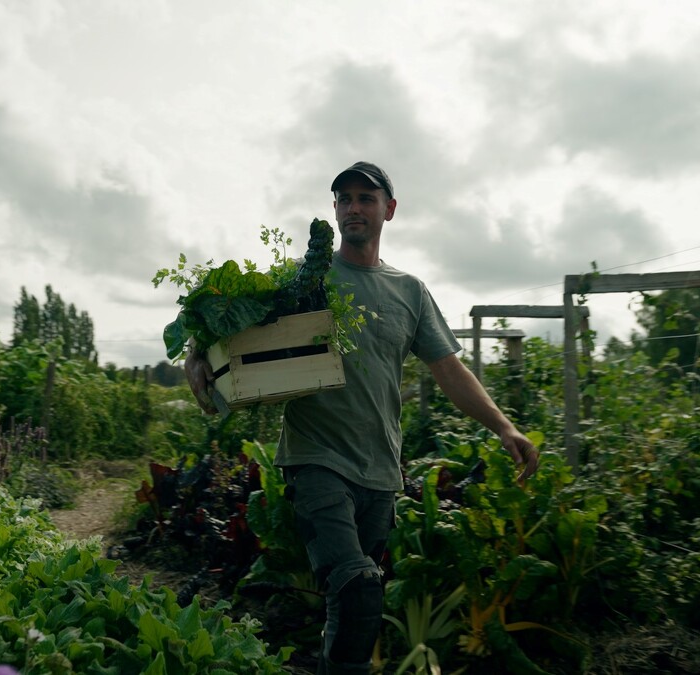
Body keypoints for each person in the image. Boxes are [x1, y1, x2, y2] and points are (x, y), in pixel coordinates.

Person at [184, 161, 539, 674]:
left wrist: (505, 427)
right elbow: (224, 316)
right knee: (356, 587)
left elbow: (449, 369)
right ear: (334, 210)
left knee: (347, 609)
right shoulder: (304, 279)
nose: (354, 207)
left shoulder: (410, 291)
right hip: (316, 459)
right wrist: (196, 352)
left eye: (366, 198)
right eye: (344, 198)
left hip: (380, 471)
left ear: (388, 210)